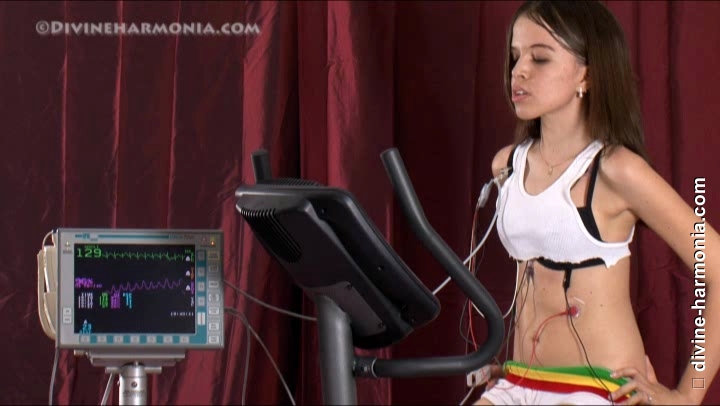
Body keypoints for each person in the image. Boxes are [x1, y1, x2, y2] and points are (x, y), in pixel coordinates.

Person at [474, 1, 719, 405]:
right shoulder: (507, 165)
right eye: (515, 57)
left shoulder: (618, 171)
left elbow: (717, 267)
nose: (519, 71)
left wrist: (687, 395)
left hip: (599, 386)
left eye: (540, 58)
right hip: (520, 380)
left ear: (586, 74)